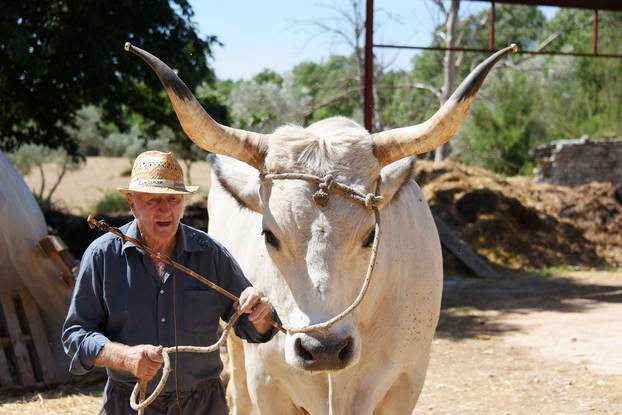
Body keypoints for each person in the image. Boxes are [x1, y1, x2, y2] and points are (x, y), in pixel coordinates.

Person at [62, 150, 278, 414]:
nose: (165, 209)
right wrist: (126, 358)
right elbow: (76, 335)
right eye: (153, 200)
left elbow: (252, 327)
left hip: (203, 405)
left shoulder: (210, 254)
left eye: (174, 199)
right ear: (132, 203)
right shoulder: (104, 256)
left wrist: (262, 314)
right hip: (130, 403)